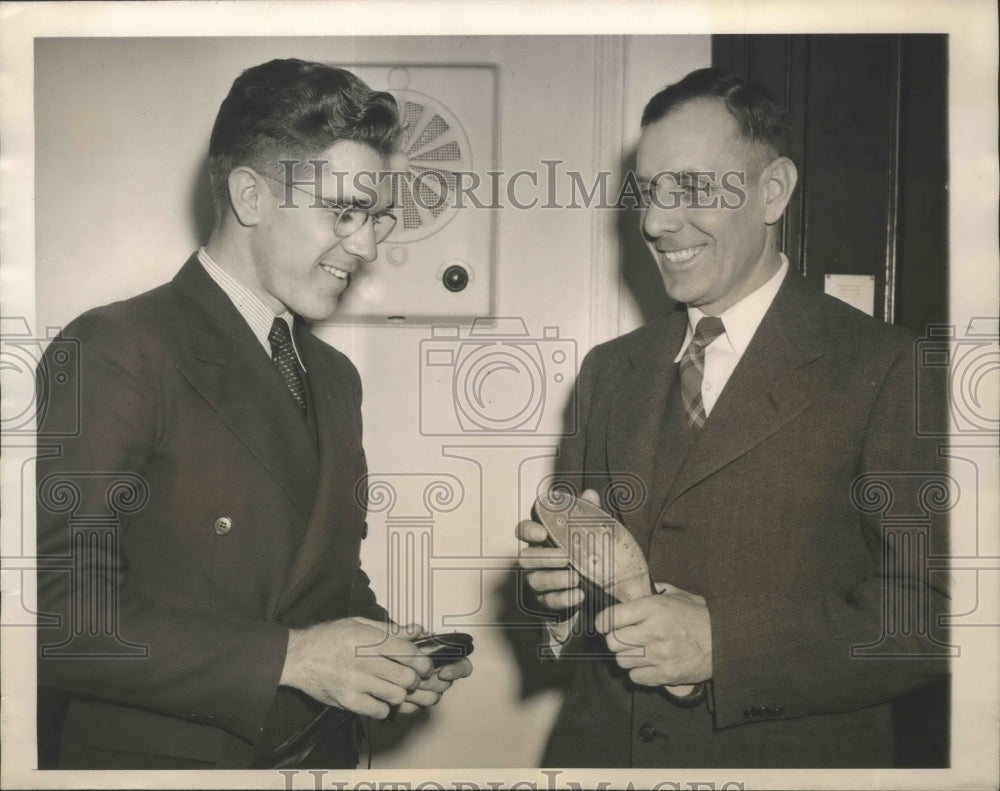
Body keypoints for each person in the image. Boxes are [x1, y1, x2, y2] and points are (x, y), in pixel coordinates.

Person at [35, 58, 471, 770]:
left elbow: (322, 574)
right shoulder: (117, 347)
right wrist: (293, 658)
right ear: (251, 196)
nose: (366, 246)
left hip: (319, 755)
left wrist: (389, 653)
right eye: (344, 212)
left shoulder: (334, 377)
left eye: (373, 216)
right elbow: (50, 615)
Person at [517, 68, 949, 768]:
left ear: (772, 191)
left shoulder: (891, 367)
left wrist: (726, 644)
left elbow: (932, 612)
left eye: (690, 189)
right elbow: (577, 609)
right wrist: (558, 595)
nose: (657, 222)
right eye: (650, 193)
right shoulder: (609, 370)